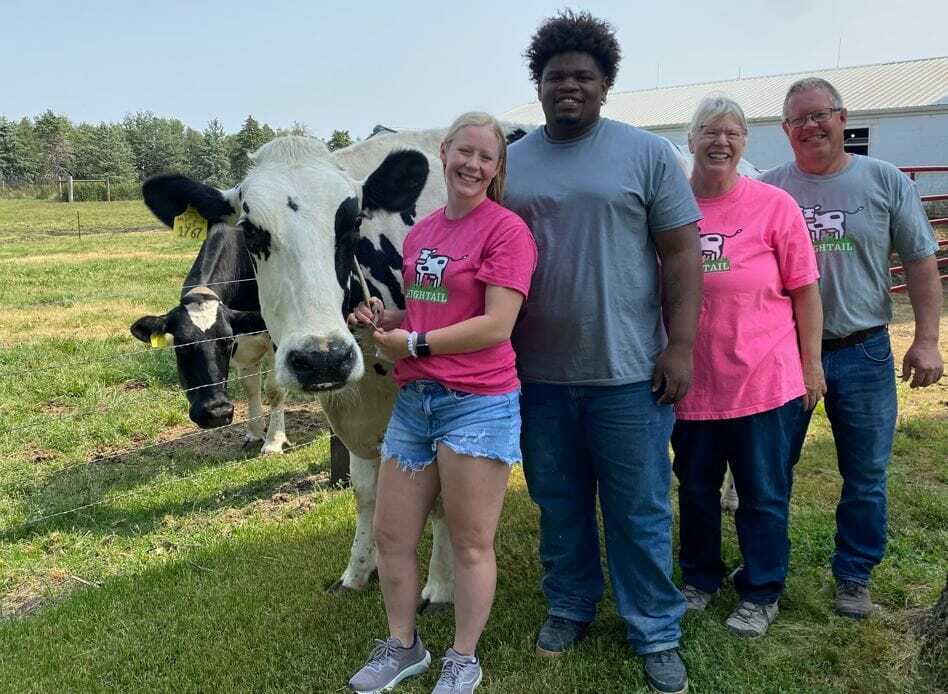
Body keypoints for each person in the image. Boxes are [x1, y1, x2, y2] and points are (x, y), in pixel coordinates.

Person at [503, 11, 702, 694]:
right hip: (538, 375)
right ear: (539, 83)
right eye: (556, 76)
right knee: (558, 500)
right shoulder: (513, 161)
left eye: (583, 76)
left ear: (605, 83)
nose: (568, 86)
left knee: (639, 505)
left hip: (630, 373)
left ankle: (655, 627)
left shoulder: (647, 154)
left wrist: (680, 346)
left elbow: (681, 257)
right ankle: (570, 603)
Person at [346, 112, 537, 693]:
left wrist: (416, 342)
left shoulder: (506, 232)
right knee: (392, 536)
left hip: (478, 403)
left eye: (487, 157)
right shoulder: (423, 233)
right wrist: (387, 319)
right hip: (417, 400)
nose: (473, 165)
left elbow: (497, 324)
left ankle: (462, 656)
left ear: (497, 169)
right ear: (445, 152)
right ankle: (403, 646)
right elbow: (428, 313)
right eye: (465, 152)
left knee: (471, 540)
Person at [761, 78, 944, 619]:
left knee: (865, 475)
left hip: (863, 350)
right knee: (770, 471)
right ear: (785, 130)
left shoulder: (883, 181)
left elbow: (919, 261)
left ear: (843, 118)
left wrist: (928, 339)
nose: (811, 127)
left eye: (821, 115)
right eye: (799, 120)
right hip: (785, 354)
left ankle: (854, 577)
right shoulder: (770, 191)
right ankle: (765, 571)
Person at [671, 95, 824, 638]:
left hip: (765, 378)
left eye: (734, 133)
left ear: (744, 144)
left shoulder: (773, 205)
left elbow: (805, 292)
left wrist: (812, 367)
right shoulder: (670, 208)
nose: (721, 141)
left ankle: (761, 591)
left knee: (762, 492)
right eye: (710, 131)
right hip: (692, 384)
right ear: (690, 141)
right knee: (694, 489)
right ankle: (700, 578)